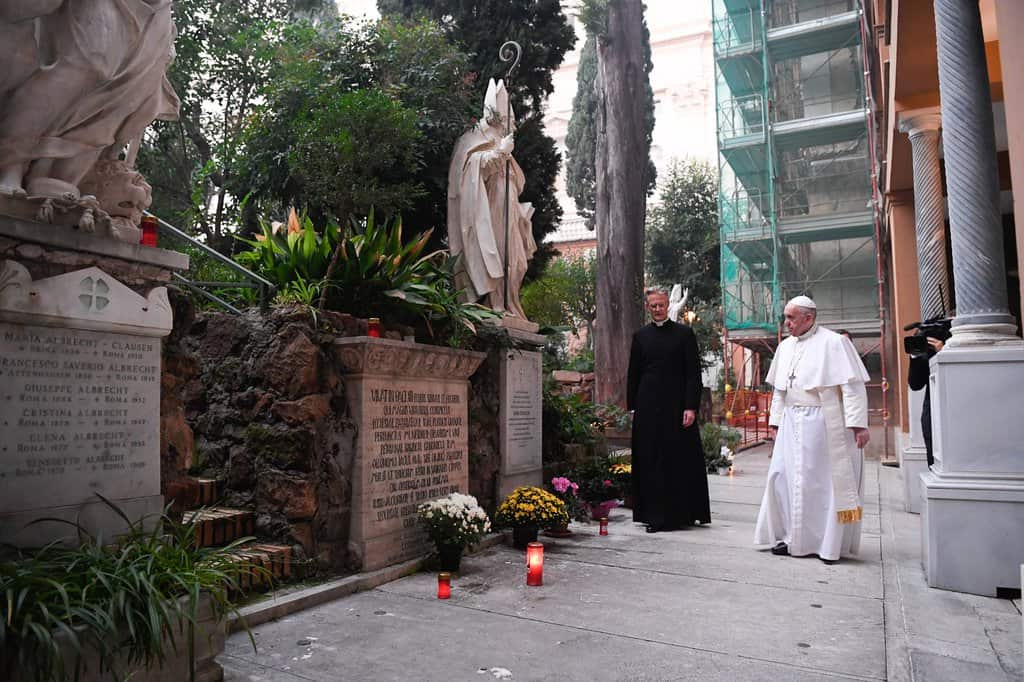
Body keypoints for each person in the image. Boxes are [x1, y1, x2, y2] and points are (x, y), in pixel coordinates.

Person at [754, 296, 870, 564]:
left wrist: (858, 425)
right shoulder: (784, 347)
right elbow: (780, 391)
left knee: (818, 484)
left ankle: (823, 545)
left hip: (822, 422)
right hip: (791, 423)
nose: (787, 323)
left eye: (791, 318)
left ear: (809, 318)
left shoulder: (835, 342)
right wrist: (775, 423)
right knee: (783, 479)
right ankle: (788, 538)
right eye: (786, 317)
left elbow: (852, 388)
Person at [446, 78, 536, 321]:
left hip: (510, 211)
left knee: (517, 263)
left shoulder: (502, 139)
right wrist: (500, 152)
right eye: (510, 119)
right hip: (490, 211)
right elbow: (471, 170)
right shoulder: (474, 138)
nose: (514, 125)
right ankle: (497, 305)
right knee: (496, 258)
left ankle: (511, 307)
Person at [627, 287, 710, 533]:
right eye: (653, 305)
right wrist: (632, 407)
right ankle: (654, 516)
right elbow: (633, 374)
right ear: (647, 307)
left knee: (678, 458)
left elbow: (693, 374)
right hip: (648, 406)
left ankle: (682, 513)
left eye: (661, 304)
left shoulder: (684, 335)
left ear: (667, 304)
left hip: (677, 406)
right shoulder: (640, 336)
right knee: (651, 459)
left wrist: (690, 406)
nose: (658, 309)